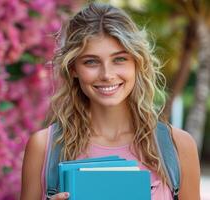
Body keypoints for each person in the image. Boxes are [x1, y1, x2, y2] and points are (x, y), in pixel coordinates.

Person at [20, 2, 201, 200]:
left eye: (119, 59)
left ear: (137, 62)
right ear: (73, 69)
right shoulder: (44, 147)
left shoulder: (178, 146)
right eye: (91, 61)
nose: (107, 74)